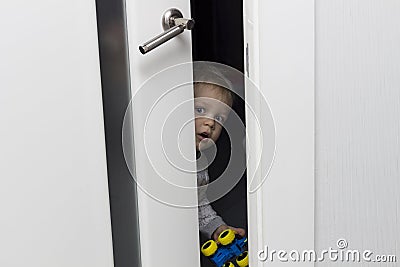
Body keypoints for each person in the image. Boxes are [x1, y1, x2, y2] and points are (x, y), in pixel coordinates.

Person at [194, 71, 246, 241]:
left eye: (219, 117)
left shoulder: (200, 163)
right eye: (200, 109)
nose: (211, 122)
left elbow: (199, 205)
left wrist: (216, 227)